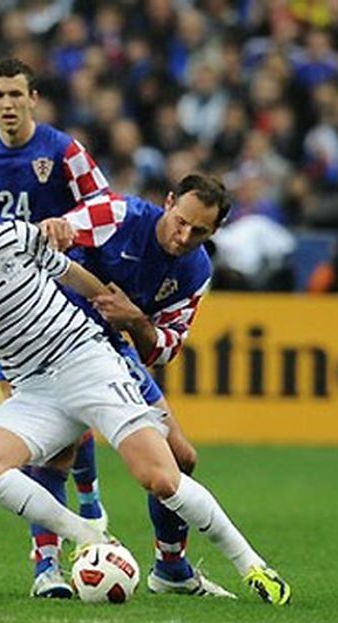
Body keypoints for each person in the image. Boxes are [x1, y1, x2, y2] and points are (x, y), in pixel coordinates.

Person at [0, 193, 290, 605]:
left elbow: (68, 272)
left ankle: (252, 566)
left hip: (86, 361)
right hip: (35, 390)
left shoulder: (11, 238)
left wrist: (111, 308)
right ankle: (90, 536)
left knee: (161, 477)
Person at [36, 174, 236, 599]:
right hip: (53, 337)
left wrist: (135, 320)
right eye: (180, 221)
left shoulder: (197, 272)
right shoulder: (118, 214)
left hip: (110, 350)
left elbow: (164, 349)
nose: (184, 236)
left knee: (181, 457)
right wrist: (57, 227)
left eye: (199, 231)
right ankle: (47, 569)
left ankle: (171, 569)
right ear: (167, 202)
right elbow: (62, 231)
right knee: (58, 448)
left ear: (214, 231)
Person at [0, 56, 112, 594]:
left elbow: (104, 203)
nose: (5, 104)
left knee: (73, 417)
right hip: (11, 308)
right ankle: (46, 564)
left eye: (14, 95)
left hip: (66, 299)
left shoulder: (62, 150)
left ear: (33, 98)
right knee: (39, 437)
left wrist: (64, 225)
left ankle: (88, 493)